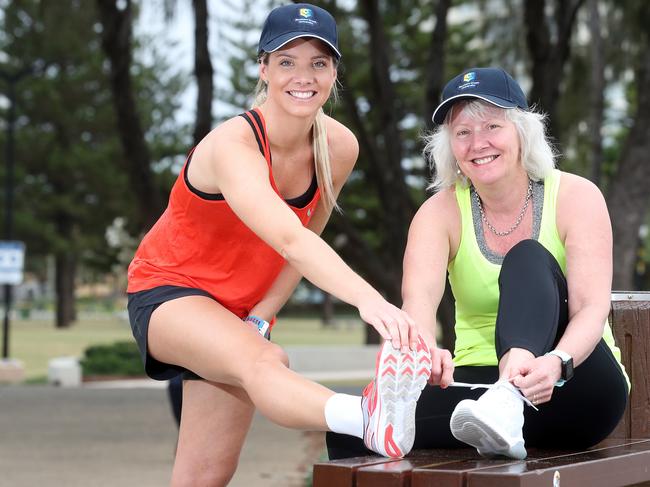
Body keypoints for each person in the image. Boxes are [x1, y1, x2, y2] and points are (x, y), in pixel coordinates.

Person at [126, 3, 431, 485]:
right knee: (268, 361)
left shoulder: (338, 147)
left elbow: (309, 233)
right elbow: (288, 239)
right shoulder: (234, 145)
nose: (302, 76)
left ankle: (376, 419)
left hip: (238, 309)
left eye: (318, 62)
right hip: (168, 292)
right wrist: (372, 302)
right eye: (286, 61)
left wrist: (263, 313)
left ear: (334, 72)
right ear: (263, 68)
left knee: (204, 478)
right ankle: (370, 418)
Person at [327, 67, 629, 460]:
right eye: (462, 133)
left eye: (492, 126)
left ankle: (508, 398)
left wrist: (557, 362)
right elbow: (417, 307)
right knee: (352, 433)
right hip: (478, 391)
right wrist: (425, 350)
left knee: (526, 257)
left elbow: (591, 307)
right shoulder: (439, 214)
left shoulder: (576, 196)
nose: (478, 143)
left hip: (572, 380)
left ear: (522, 132)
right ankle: (501, 403)